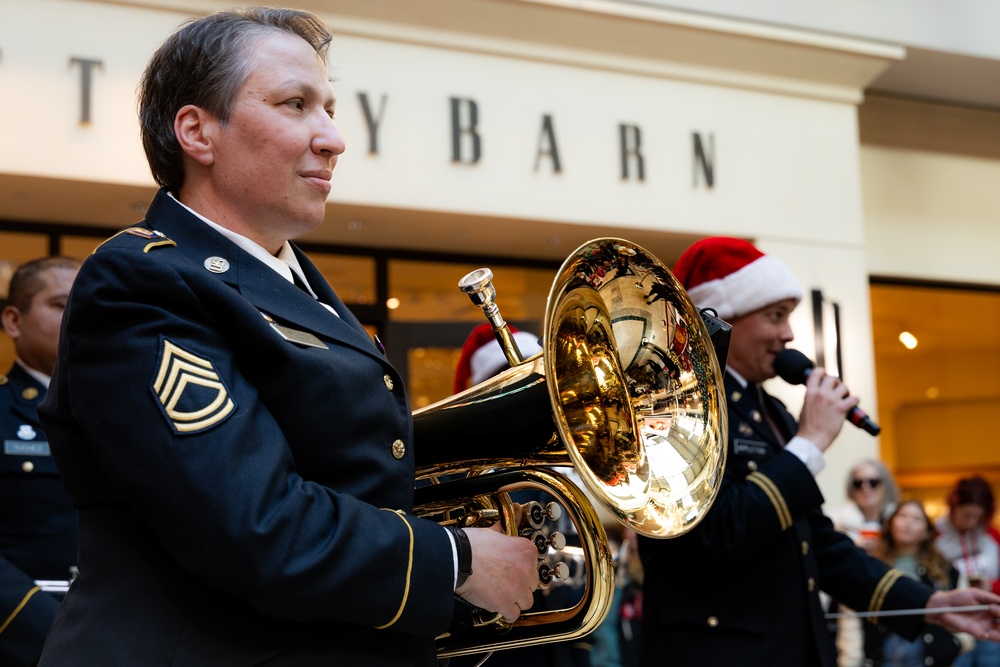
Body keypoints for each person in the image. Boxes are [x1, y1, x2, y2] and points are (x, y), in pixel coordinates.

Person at [35, 8, 540, 666]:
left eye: (329, 107)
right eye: (295, 104)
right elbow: (251, 524)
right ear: (197, 131)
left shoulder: (290, 279)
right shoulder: (139, 280)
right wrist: (455, 558)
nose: (332, 138)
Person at [636, 236, 1000, 667]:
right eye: (775, 316)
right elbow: (716, 536)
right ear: (720, 318)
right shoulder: (666, 406)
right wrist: (807, 445)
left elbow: (818, 545)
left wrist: (929, 602)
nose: (789, 334)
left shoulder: (769, 410)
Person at [0, 257, 79, 667]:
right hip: (31, 640)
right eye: (63, 304)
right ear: (13, 321)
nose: (81, 315)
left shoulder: (132, 411)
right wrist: (46, 632)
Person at [855, 500, 968, 667]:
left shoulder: (942, 569)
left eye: (916, 519)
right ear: (891, 523)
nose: (908, 523)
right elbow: (853, 614)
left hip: (928, 651)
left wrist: (960, 642)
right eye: (903, 516)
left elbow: (961, 606)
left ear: (926, 532)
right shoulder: (872, 565)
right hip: (883, 650)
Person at [936, 477, 1000, 667]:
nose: (971, 522)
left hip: (990, 624)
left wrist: (991, 586)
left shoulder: (992, 536)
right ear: (953, 506)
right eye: (966, 515)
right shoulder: (934, 537)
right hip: (952, 628)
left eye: (977, 517)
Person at [831, 459, 901, 553]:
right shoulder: (834, 521)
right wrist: (850, 545)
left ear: (885, 486)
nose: (865, 488)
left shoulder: (899, 520)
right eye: (858, 483)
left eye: (873, 482)